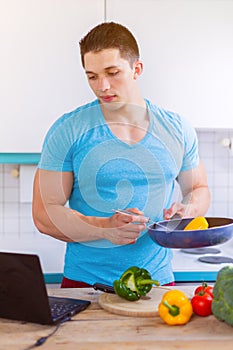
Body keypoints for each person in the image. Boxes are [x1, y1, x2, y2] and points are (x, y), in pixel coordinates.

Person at [32, 22, 210, 288]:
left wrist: (189, 208)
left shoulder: (176, 128)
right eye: (92, 76)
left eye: (113, 73)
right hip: (87, 285)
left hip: (157, 284)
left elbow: (198, 188)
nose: (102, 86)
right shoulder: (68, 130)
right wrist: (104, 228)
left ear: (136, 69)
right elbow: (44, 215)